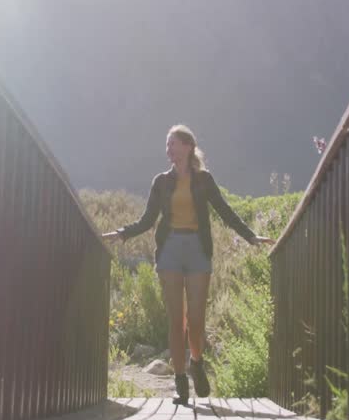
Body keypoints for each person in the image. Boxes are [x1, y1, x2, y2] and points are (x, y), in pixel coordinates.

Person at [103, 125, 274, 404]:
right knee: (176, 319)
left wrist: (251, 236)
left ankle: (196, 361)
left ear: (187, 147)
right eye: (167, 145)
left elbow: (225, 211)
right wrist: (122, 233)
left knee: (196, 319)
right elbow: (148, 220)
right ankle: (180, 380)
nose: (168, 149)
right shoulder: (161, 181)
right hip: (170, 250)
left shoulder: (204, 180)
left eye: (173, 144)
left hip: (198, 250)